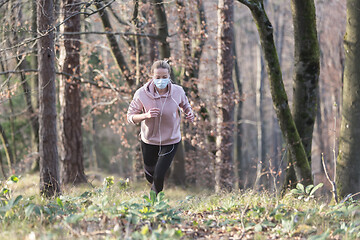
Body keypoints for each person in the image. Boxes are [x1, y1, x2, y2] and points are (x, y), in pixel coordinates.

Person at [127, 60, 194, 195]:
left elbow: (185, 105)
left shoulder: (178, 91)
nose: (161, 80)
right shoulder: (141, 94)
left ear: (169, 76)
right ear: (152, 76)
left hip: (171, 140)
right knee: (150, 176)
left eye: (164, 77)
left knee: (158, 176)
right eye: (158, 77)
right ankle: (155, 191)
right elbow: (130, 117)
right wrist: (146, 115)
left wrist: (189, 113)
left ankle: (155, 203)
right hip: (149, 140)